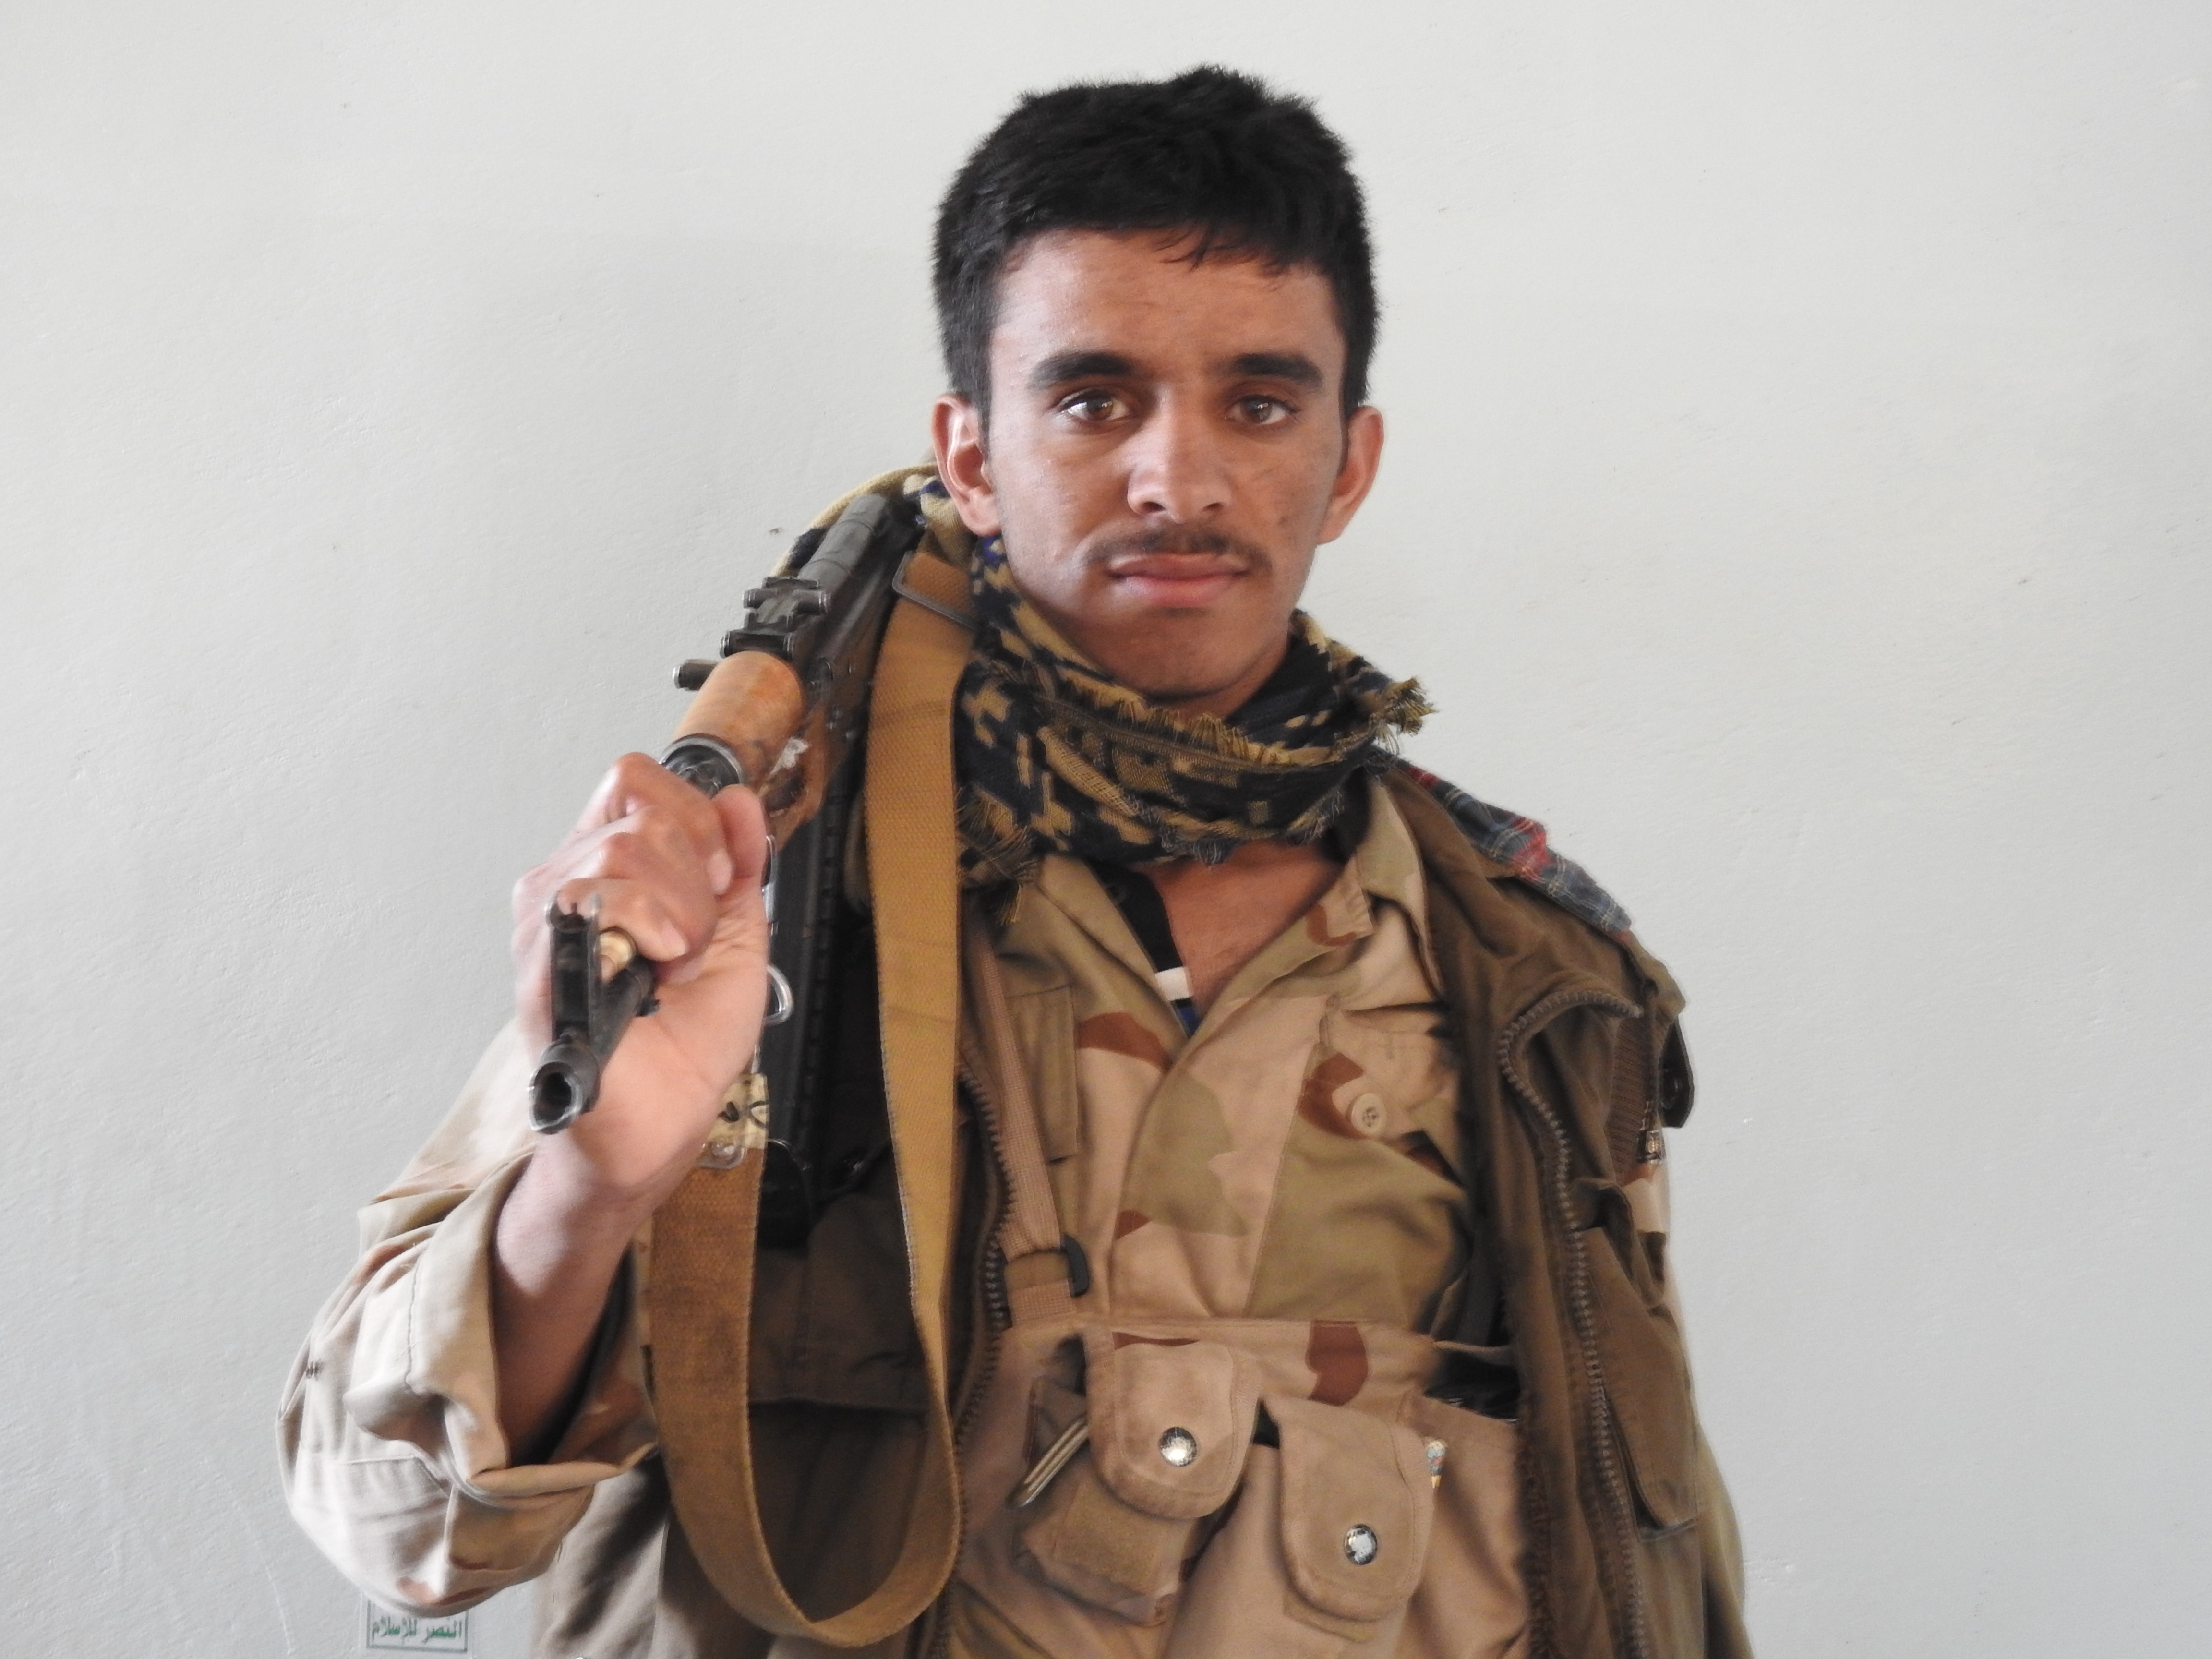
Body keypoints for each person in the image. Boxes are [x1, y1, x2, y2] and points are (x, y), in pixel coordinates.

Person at [281, 66, 1750, 1659]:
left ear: (1349, 462)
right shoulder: (766, 894)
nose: (1177, 480)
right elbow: (398, 1528)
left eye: (1260, 404)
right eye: (1094, 400)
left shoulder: (1523, 965)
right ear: (971, 455)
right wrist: (595, 1183)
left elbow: (1639, 1540)